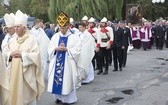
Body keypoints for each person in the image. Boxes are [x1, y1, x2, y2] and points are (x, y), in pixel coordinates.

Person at [2, 10, 45, 105]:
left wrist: (22, 55)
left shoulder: (31, 40)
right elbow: (4, 54)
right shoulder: (12, 41)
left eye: (18, 27)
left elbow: (36, 55)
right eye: (15, 27)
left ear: (24, 28)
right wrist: (10, 55)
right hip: (13, 73)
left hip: (26, 75)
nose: (15, 29)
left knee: (26, 97)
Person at [47, 12, 81, 105]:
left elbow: (78, 49)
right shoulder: (55, 36)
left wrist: (67, 49)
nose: (62, 29)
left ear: (68, 26)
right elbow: (49, 48)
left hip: (67, 63)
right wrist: (55, 48)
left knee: (66, 81)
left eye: (64, 27)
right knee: (56, 80)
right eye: (60, 27)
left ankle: (68, 99)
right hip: (56, 62)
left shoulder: (74, 37)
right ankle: (58, 97)